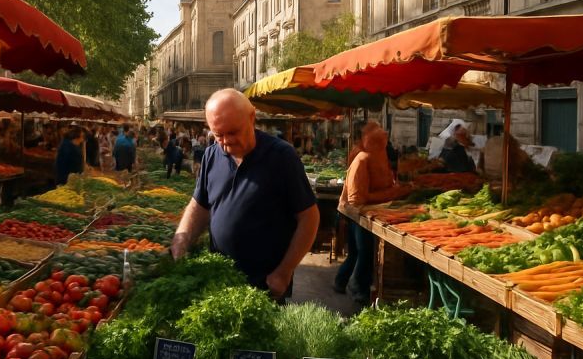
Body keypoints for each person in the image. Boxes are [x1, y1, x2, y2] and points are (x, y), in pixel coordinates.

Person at [172, 89, 319, 300]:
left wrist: (284, 272)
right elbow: (198, 206)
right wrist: (182, 239)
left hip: (263, 287)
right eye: (218, 134)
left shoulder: (281, 157)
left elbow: (309, 217)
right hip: (218, 280)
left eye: (232, 132)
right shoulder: (212, 155)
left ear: (252, 118)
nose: (226, 141)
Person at [335, 128, 407, 304]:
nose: (385, 145)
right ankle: (358, 288)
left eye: (385, 142)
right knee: (364, 252)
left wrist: (396, 189)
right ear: (371, 142)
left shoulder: (377, 157)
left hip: (365, 213)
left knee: (356, 253)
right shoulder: (362, 159)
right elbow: (358, 198)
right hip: (357, 215)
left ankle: (340, 281)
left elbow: (383, 183)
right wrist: (393, 193)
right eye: (381, 142)